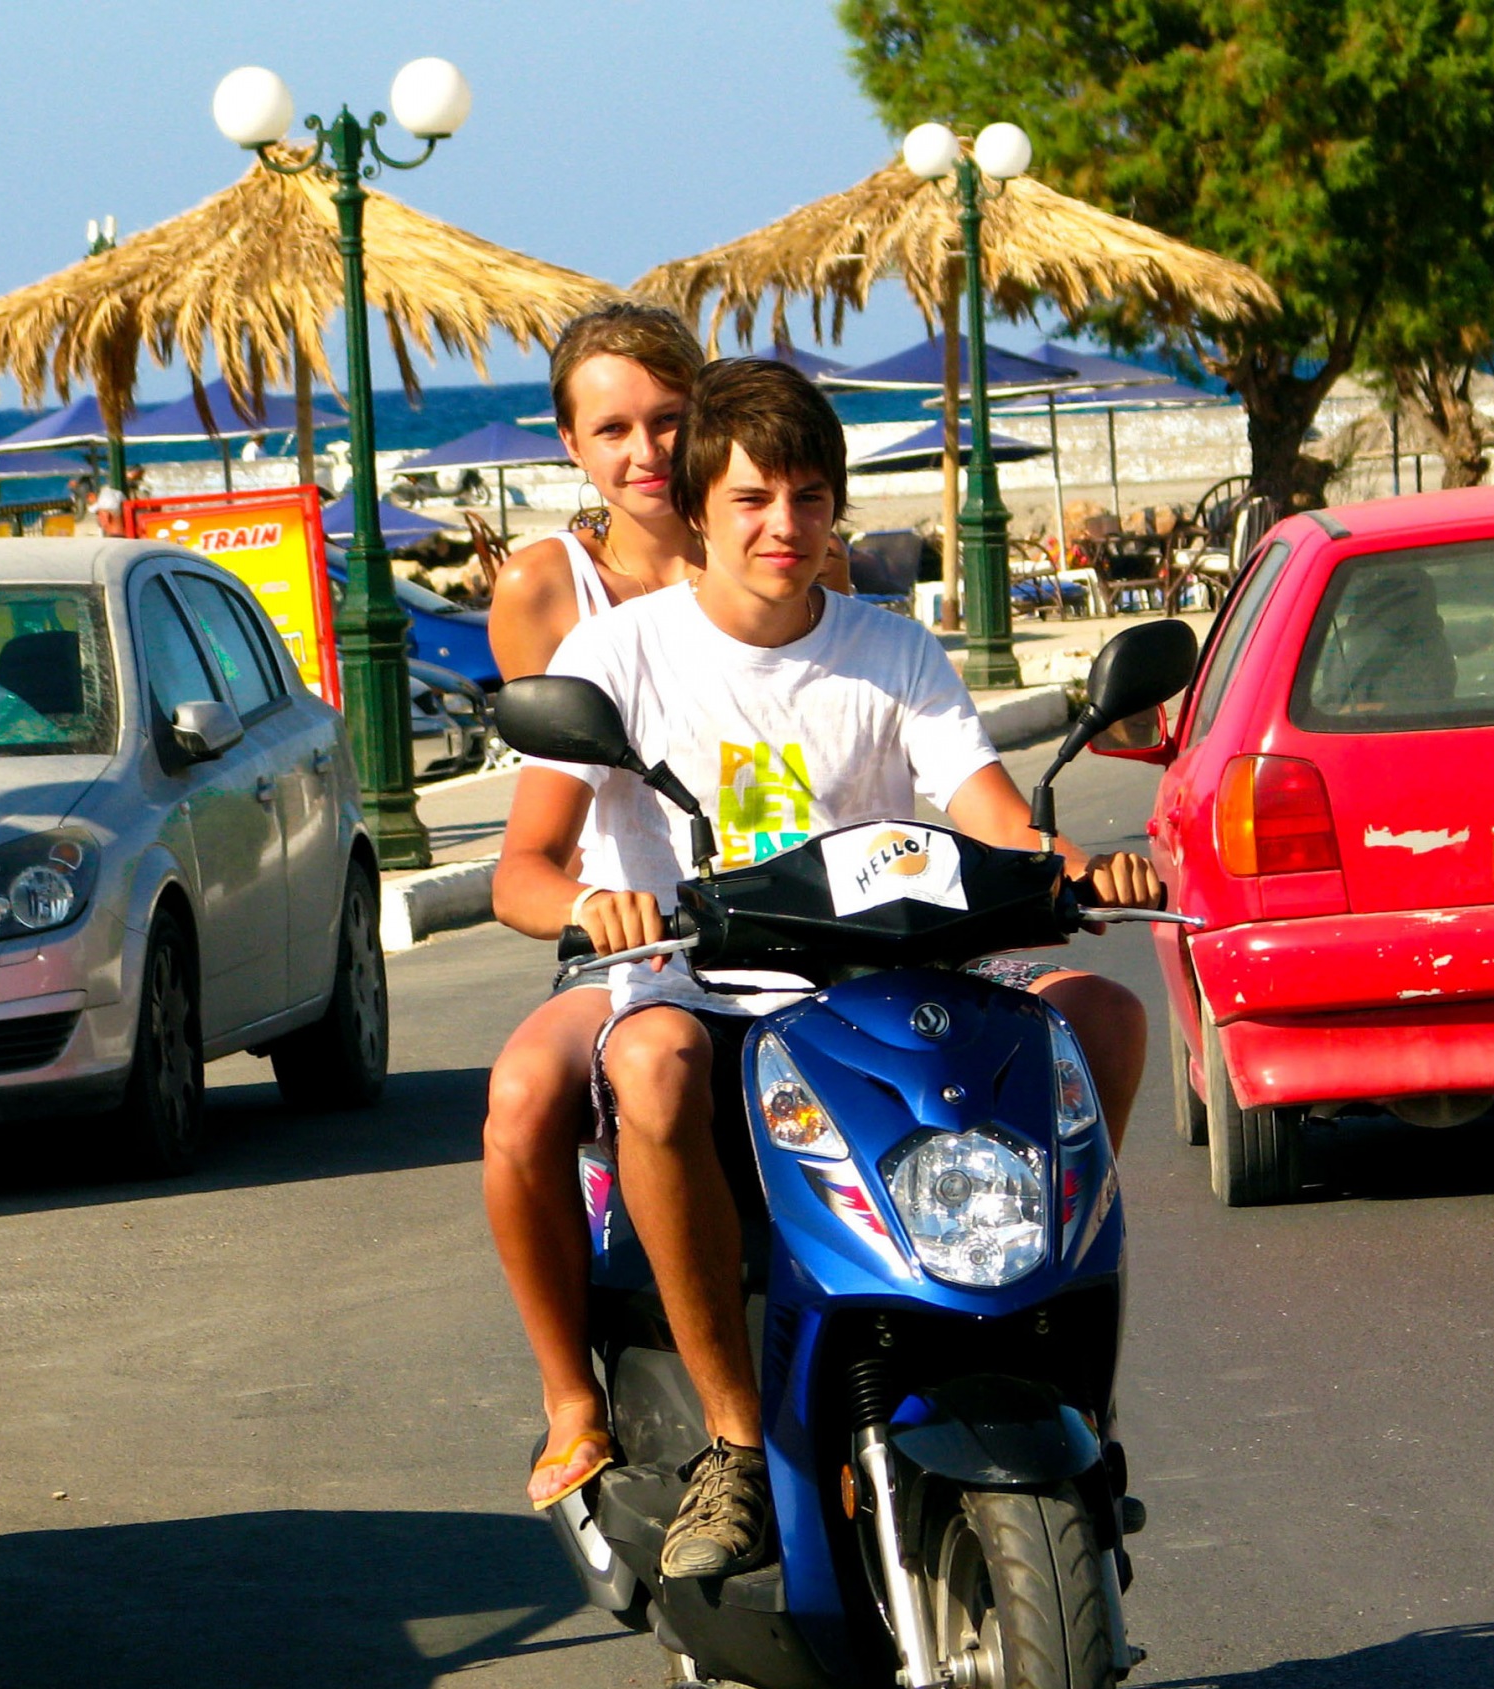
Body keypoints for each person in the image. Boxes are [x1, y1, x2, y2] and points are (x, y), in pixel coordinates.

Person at [490, 358, 1160, 1578]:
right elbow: (520, 871)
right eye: (752, 499)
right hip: (708, 995)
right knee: (650, 1061)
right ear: (698, 506)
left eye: (807, 497)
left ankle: (1066, 1392)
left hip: (884, 994)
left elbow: (995, 817)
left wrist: (1083, 870)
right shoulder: (617, 654)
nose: (783, 526)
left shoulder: (889, 649)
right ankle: (735, 1445)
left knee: (1101, 1015)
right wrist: (593, 904)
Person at [488, 307, 853, 1513]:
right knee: (524, 1094)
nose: (643, 451)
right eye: (611, 429)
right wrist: (598, 906)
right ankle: (570, 1397)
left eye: (667, 419)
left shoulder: (790, 547)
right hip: (628, 932)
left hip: (789, 926)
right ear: (569, 444)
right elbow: (551, 806)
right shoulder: (549, 587)